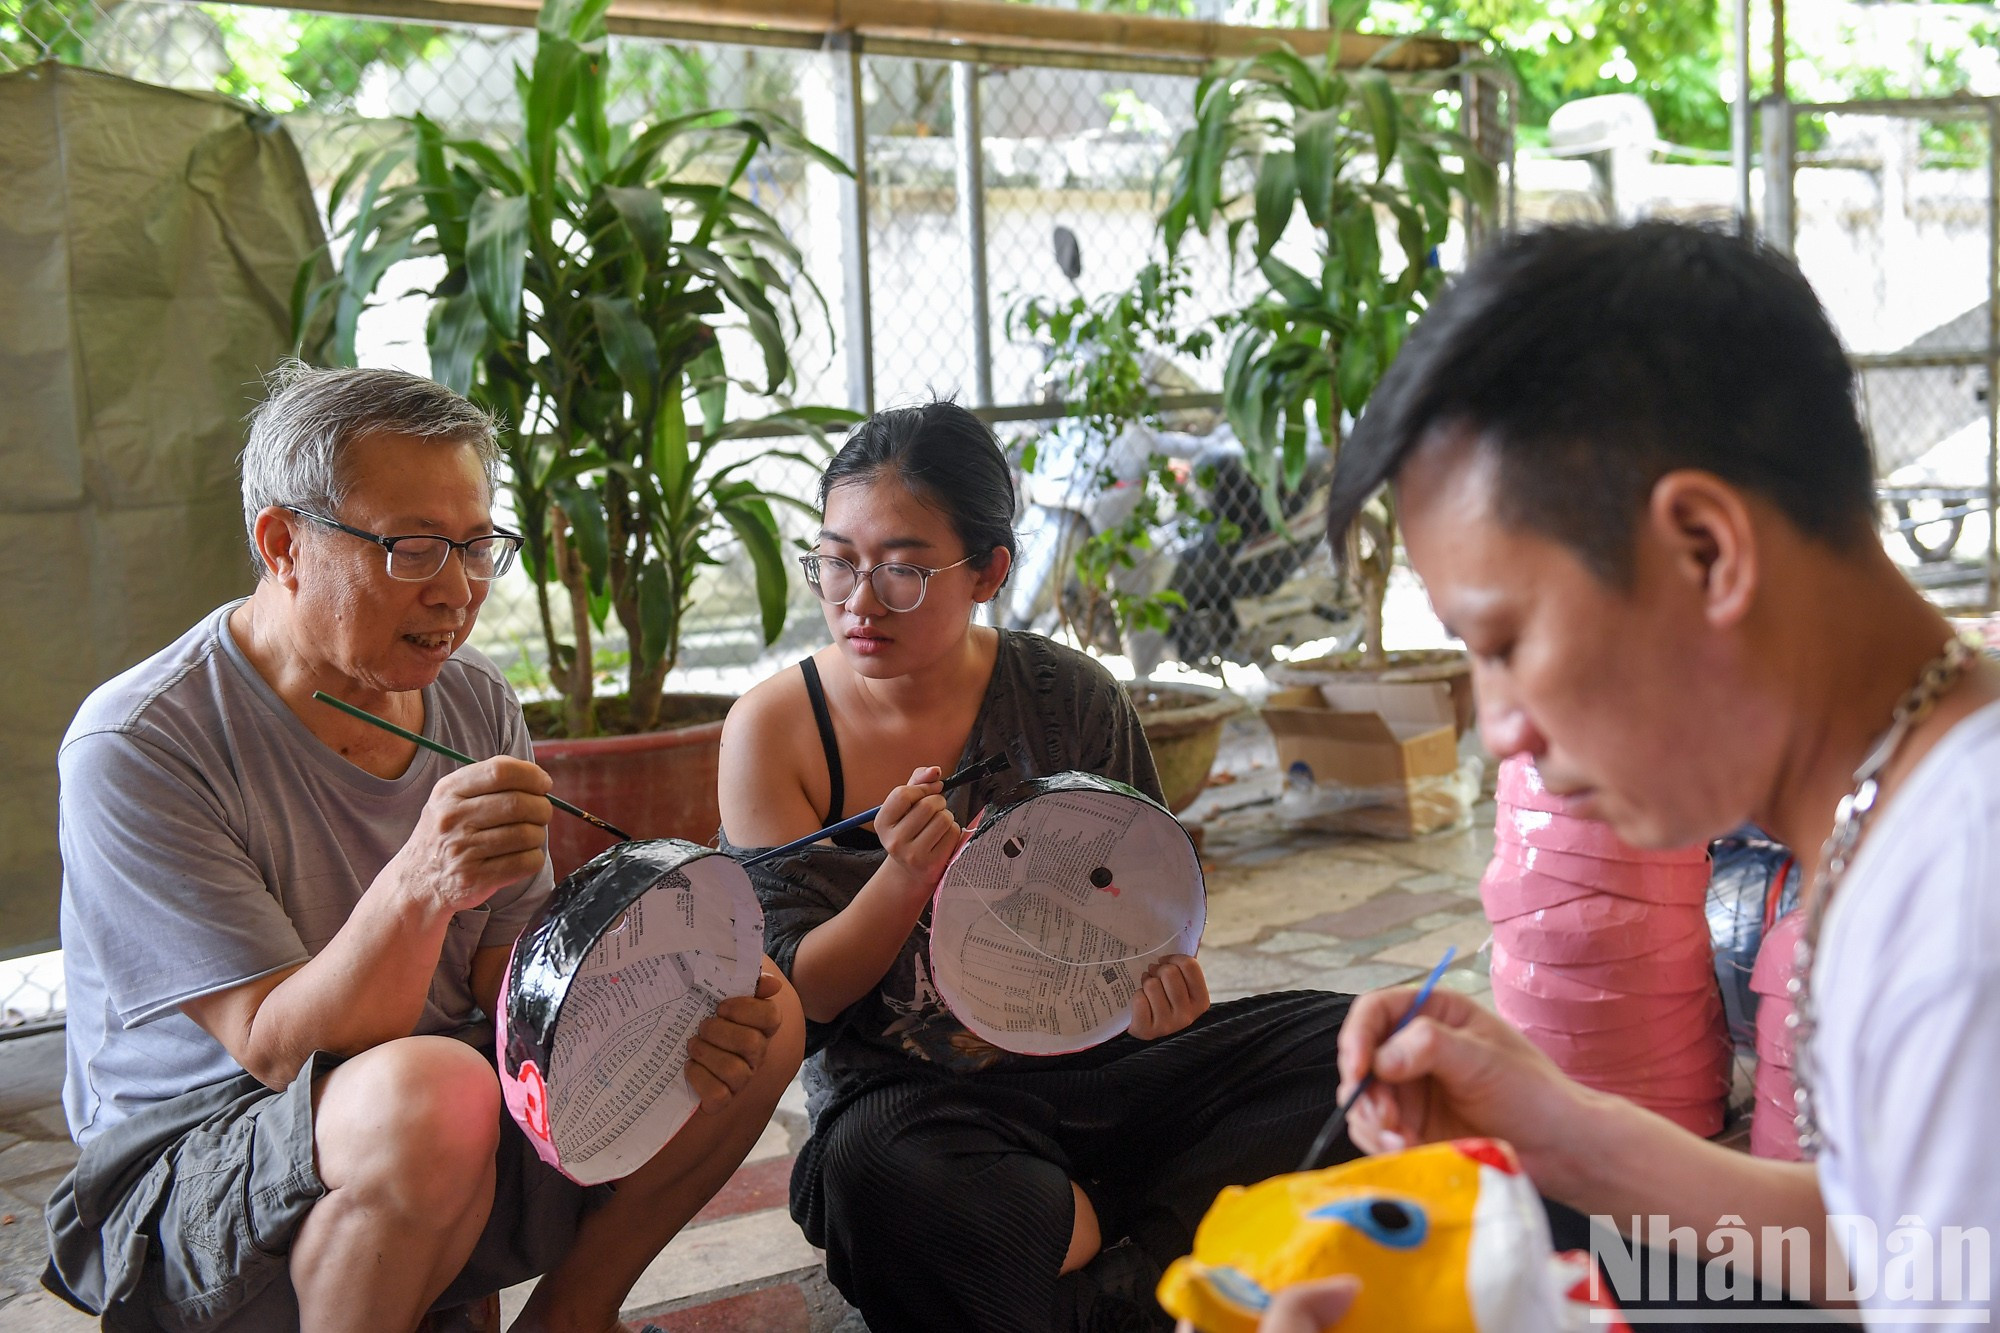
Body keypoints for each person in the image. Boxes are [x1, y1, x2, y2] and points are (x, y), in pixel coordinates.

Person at [1305, 222, 2000, 1330]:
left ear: (1705, 551)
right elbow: (1907, 1250)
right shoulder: (1906, 817)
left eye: (1503, 642)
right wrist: (1559, 1130)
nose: (1497, 732)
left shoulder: (1962, 910)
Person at [44, 363, 805, 1333]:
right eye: (411, 548)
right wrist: (416, 884)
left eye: (476, 546)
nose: (456, 590)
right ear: (283, 542)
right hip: (189, 1177)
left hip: (422, 1117)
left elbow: (505, 976)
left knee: (757, 1008)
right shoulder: (143, 742)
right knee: (433, 1091)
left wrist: (656, 990)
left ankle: (568, 1318)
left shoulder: (471, 696)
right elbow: (275, 1047)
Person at [717, 399, 1357, 1332]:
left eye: (901, 569)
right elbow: (803, 997)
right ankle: (1166, 1256)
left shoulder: (1069, 697)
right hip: (919, 1106)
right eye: (836, 561)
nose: (858, 599)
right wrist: (900, 882)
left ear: (989, 572)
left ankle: (1101, 1276)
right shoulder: (777, 729)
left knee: (1355, 1051)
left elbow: (1149, 909)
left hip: (1107, 1076)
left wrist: (1156, 996)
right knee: (872, 1181)